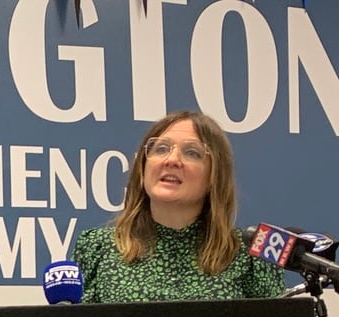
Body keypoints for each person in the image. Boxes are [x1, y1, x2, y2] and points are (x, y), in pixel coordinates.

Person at [72, 110, 284, 302]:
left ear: (214, 175)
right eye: (161, 149)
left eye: (192, 152)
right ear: (143, 168)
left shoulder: (249, 256)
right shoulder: (97, 250)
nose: (172, 160)